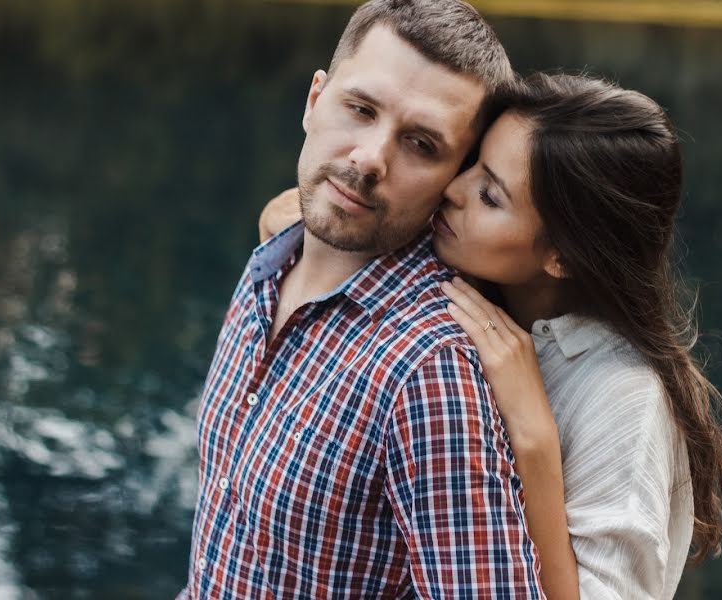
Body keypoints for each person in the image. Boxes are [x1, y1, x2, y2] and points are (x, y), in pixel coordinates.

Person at [260, 73, 722, 599]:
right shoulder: (473, 274)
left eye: (490, 195)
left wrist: (534, 438)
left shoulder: (623, 398)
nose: (452, 189)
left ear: (562, 255)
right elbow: (290, 214)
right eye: (471, 164)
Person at [178, 1, 548, 598]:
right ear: (314, 100)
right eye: (361, 109)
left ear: (455, 174)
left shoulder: (428, 371)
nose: (371, 158)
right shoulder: (269, 267)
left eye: (422, 144)